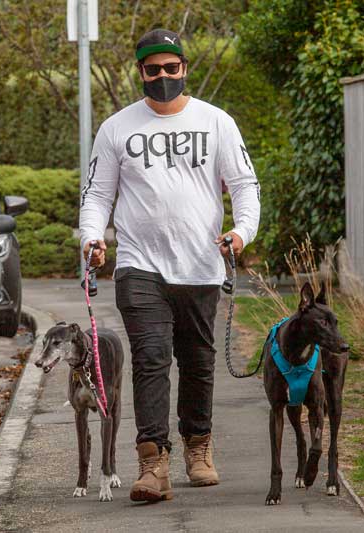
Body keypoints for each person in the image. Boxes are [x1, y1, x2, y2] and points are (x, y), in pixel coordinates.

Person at [78, 28, 261, 503]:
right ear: (140, 72)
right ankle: (152, 462)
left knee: (198, 362)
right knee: (151, 358)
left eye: (170, 68)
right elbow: (98, 193)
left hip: (201, 264)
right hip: (139, 265)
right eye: (153, 69)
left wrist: (241, 233)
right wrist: (92, 237)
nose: (162, 76)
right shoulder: (117, 127)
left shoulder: (217, 122)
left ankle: (198, 446)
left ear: (184, 69)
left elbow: (244, 186)